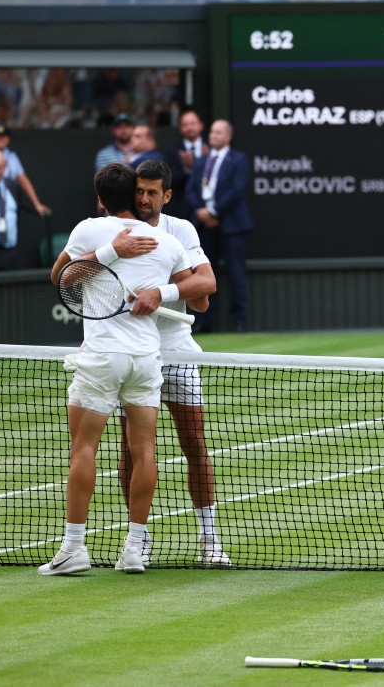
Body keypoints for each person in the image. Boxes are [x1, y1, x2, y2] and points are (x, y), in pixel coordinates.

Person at [39, 163, 196, 576]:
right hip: (146, 361)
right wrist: (162, 290)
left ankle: (74, 548)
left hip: (103, 359)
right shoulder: (166, 241)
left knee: (84, 449)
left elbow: (59, 279)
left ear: (101, 200)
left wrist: (108, 254)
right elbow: (200, 295)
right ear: (136, 196)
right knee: (146, 452)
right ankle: (133, 549)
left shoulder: (87, 230)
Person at [110, 159, 228, 566]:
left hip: (176, 351)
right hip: (136, 353)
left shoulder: (180, 229)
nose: (144, 199)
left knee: (194, 443)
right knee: (131, 449)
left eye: (152, 193)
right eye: (139, 191)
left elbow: (206, 286)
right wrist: (184, 288)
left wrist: (162, 292)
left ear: (167, 195)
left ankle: (210, 539)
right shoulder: (117, 231)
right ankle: (137, 539)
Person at [185, 119, 253, 332]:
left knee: (235, 273)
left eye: (218, 132)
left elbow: (237, 190)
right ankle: (204, 322)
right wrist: (202, 212)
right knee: (204, 275)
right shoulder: (201, 161)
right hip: (204, 227)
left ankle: (239, 321)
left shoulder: (239, 159)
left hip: (230, 225)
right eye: (212, 132)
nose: (213, 135)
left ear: (228, 136)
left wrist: (214, 211)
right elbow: (190, 190)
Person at [166, 110, 207, 209]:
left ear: (201, 125)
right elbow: (171, 182)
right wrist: (187, 169)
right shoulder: (173, 152)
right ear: (180, 128)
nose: (189, 128)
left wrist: (205, 162)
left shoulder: (210, 149)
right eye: (185, 125)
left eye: (193, 123)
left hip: (207, 207)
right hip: (183, 208)